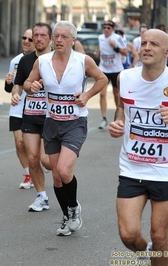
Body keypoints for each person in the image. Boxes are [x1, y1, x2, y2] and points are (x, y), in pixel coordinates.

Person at [108, 29, 168, 265]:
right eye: (144, 42)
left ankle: (157, 251)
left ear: (167, 51)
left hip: (166, 170)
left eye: (154, 44)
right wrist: (118, 123)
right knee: (128, 235)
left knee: (159, 235)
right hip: (132, 167)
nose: (147, 47)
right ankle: (150, 252)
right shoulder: (125, 78)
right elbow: (121, 108)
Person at [24, 21, 107, 235]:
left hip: (75, 122)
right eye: (56, 36)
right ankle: (67, 215)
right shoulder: (42, 62)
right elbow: (27, 84)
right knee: (56, 177)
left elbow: (102, 79)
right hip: (52, 123)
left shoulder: (83, 61)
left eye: (64, 36)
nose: (59, 40)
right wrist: (31, 87)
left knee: (63, 169)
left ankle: (73, 208)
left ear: (73, 40)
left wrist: (87, 95)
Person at [11, 22, 52, 212]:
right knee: (33, 158)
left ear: (50, 38)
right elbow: (18, 83)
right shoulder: (26, 61)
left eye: (43, 35)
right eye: (36, 35)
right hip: (30, 116)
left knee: (45, 160)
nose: (38, 39)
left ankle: (59, 170)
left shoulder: (57, 60)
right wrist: (16, 93)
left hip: (52, 117)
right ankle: (41, 196)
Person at [4, 29, 35, 189]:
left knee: (34, 147)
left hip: (36, 109)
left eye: (30, 39)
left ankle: (37, 168)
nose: (26, 41)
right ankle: (28, 174)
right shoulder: (15, 61)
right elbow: (10, 88)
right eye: (24, 38)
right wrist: (8, 83)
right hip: (17, 108)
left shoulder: (42, 61)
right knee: (20, 144)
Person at [95, 20, 127, 129]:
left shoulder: (117, 38)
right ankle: (103, 119)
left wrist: (115, 47)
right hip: (104, 69)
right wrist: (98, 52)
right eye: (104, 27)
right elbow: (101, 49)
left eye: (108, 27)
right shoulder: (100, 38)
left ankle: (118, 116)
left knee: (116, 94)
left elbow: (125, 52)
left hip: (116, 69)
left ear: (112, 29)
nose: (106, 29)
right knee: (102, 94)